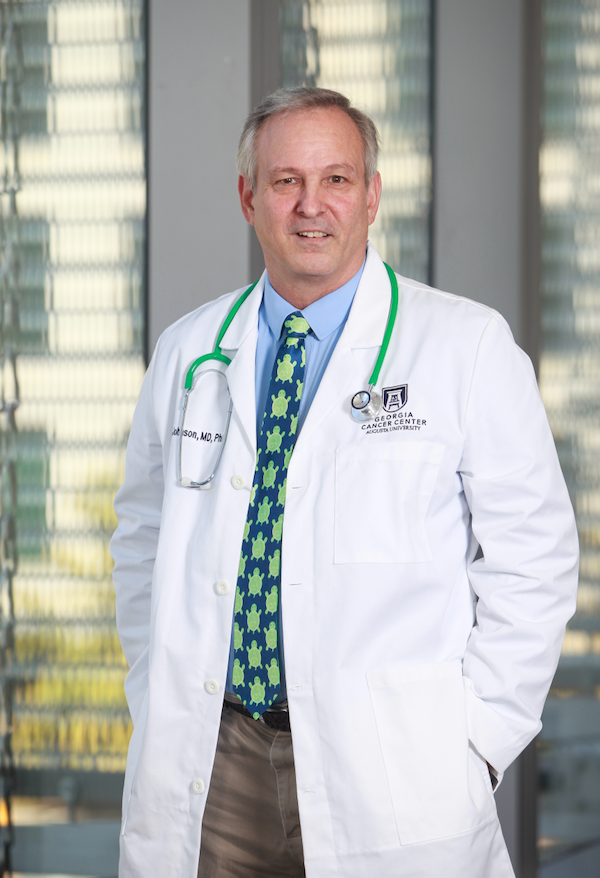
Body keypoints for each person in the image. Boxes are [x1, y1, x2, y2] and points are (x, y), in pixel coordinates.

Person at [111, 87, 578, 878]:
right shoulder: (190, 351)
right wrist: (159, 694)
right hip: (211, 759)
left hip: (395, 770)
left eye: (335, 179)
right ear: (248, 196)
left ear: (371, 195)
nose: (310, 206)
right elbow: (141, 543)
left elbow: (535, 560)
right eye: (286, 180)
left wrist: (478, 744)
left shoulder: (464, 346)